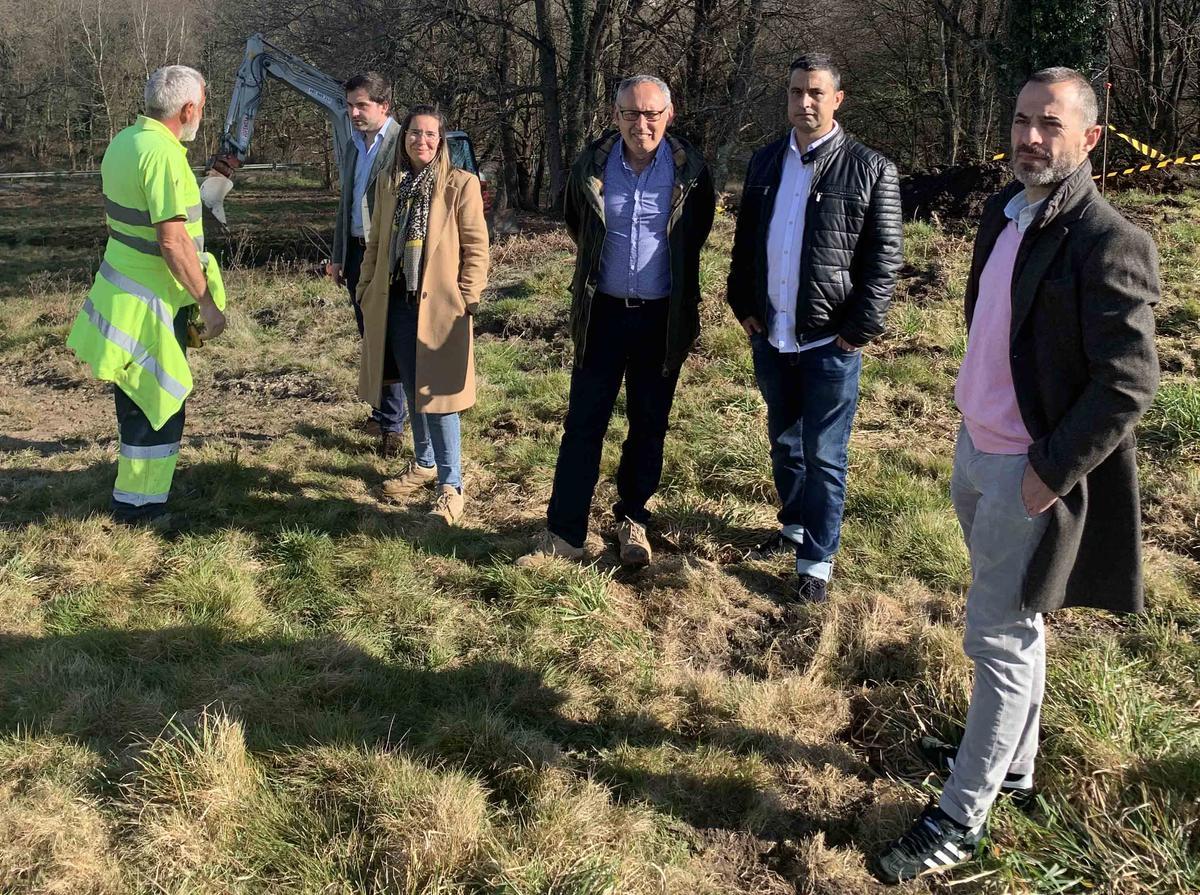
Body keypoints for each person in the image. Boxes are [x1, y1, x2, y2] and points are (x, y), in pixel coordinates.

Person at [873, 67, 1161, 884]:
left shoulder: (1108, 238)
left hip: (1024, 471)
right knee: (1017, 625)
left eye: (1051, 125)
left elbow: (1130, 381)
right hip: (975, 448)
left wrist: (1048, 472)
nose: (1031, 137)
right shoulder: (1006, 214)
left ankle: (960, 818)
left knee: (994, 638)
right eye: (1023, 119)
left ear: (1089, 139)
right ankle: (1015, 766)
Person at [517, 75, 716, 569]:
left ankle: (634, 519)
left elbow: (697, 234)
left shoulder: (692, 172)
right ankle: (565, 534)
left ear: (670, 114)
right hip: (601, 313)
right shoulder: (593, 163)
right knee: (583, 423)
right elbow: (576, 224)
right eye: (630, 113)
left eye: (651, 114)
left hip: (661, 319)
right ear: (616, 115)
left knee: (649, 424)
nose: (640, 124)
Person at [725, 52, 903, 602]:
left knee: (825, 452)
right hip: (773, 334)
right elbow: (746, 244)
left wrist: (859, 328)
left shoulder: (872, 169)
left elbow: (885, 259)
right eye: (796, 92)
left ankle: (817, 560)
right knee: (784, 441)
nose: (804, 102)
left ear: (837, 100)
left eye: (816, 93)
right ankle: (795, 525)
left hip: (831, 340)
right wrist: (743, 304)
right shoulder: (765, 162)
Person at [66, 65, 227, 525]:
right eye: (203, 107)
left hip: (124, 291)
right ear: (189, 109)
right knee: (156, 404)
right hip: (151, 303)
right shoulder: (163, 154)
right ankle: (140, 506)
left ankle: (141, 494)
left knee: (138, 400)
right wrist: (208, 304)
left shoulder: (124, 142)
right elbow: (173, 241)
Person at [355, 104, 489, 525]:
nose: (422, 141)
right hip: (395, 304)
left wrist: (466, 297)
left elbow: (476, 248)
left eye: (431, 134)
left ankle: (452, 486)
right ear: (404, 138)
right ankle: (425, 462)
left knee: (441, 397)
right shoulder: (389, 184)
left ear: (441, 139)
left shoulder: (459, 184)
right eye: (415, 133)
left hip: (440, 308)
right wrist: (364, 287)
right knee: (414, 391)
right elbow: (376, 244)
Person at [329, 72, 407, 456]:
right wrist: (339, 256)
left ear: (384, 106)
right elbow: (345, 204)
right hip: (358, 253)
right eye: (349, 106)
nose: (353, 113)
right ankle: (381, 411)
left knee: (388, 336)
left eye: (362, 105)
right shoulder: (351, 145)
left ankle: (393, 424)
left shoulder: (403, 143)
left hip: (389, 256)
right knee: (368, 335)